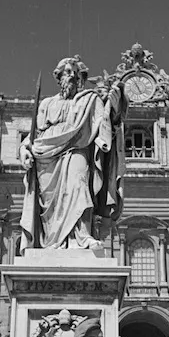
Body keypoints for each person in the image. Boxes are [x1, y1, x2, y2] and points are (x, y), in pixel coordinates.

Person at [19, 55, 128, 252]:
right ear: (59, 77)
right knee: (50, 207)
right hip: (47, 157)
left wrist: (115, 107)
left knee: (80, 184)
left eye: (76, 74)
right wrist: (24, 150)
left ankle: (82, 236)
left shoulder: (90, 100)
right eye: (68, 72)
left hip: (78, 150)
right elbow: (34, 135)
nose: (72, 77)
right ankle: (52, 242)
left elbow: (106, 125)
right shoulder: (46, 104)